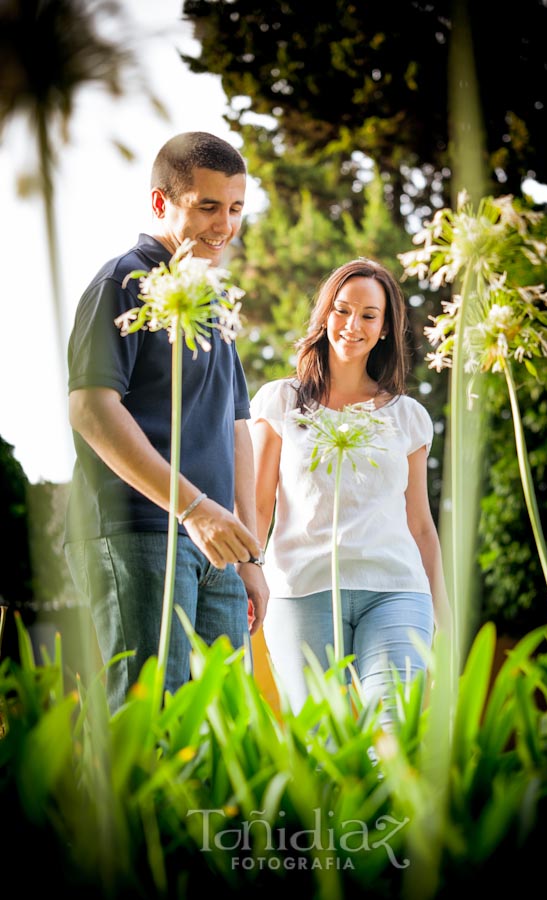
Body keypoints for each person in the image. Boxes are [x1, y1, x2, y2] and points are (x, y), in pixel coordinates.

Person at [64, 131, 269, 714]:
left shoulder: (212, 300)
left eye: (234, 209)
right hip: (138, 532)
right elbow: (90, 408)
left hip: (217, 548)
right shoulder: (122, 282)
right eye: (207, 206)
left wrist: (250, 555)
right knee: (147, 723)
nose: (224, 226)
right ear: (162, 204)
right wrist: (193, 507)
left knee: (226, 729)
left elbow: (237, 429)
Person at [249, 258, 451, 725]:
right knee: (323, 740)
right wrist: (248, 573)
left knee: (392, 734)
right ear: (324, 316)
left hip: (397, 590)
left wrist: (446, 620)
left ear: (384, 329)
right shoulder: (281, 402)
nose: (352, 324)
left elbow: (421, 526)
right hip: (302, 590)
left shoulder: (407, 417)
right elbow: (260, 506)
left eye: (368, 315)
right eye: (342, 310)